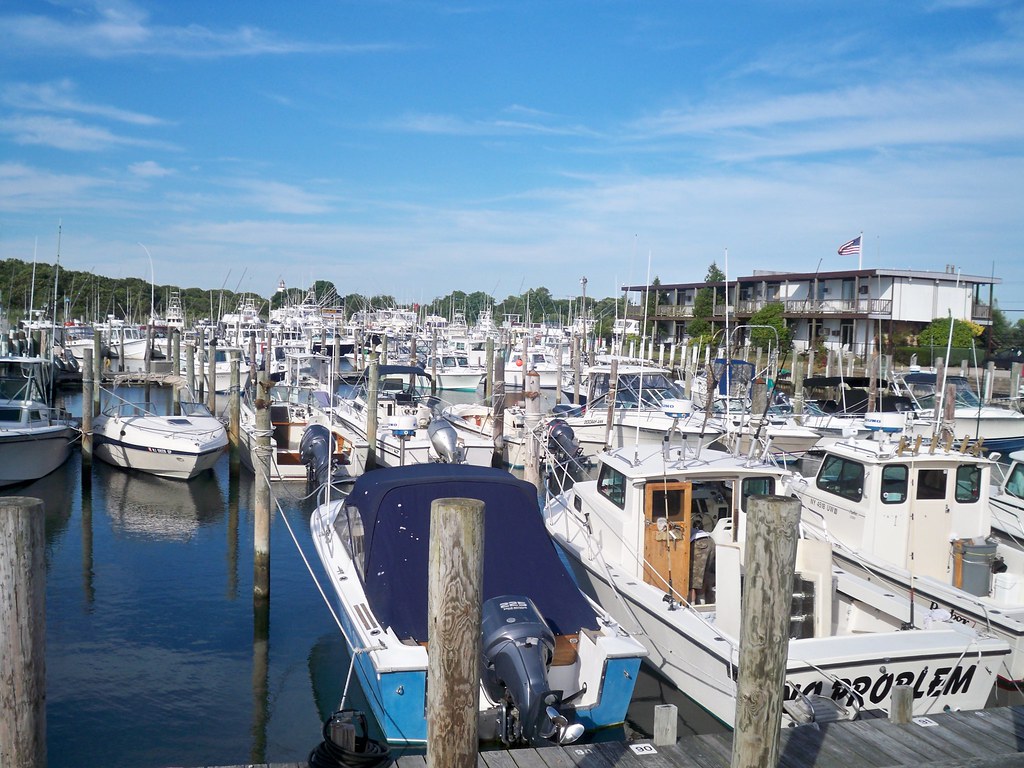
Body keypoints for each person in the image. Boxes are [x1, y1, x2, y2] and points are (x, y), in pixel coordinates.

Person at [689, 527, 716, 604]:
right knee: (703, 575)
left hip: (699, 543)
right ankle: (702, 602)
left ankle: (693, 605)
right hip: (710, 541)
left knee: (693, 579)